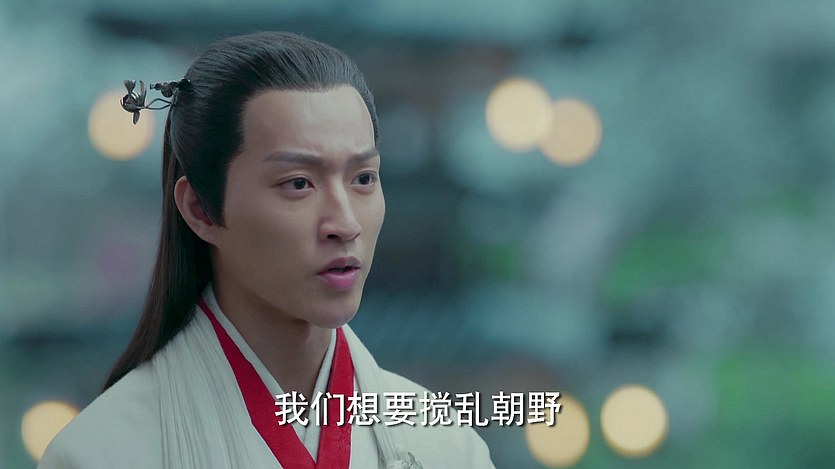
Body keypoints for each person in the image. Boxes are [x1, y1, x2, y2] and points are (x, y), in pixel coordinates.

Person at [39, 32, 495, 468]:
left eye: (363, 179)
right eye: (298, 184)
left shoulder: (445, 446)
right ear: (200, 209)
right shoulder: (101, 454)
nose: (345, 224)